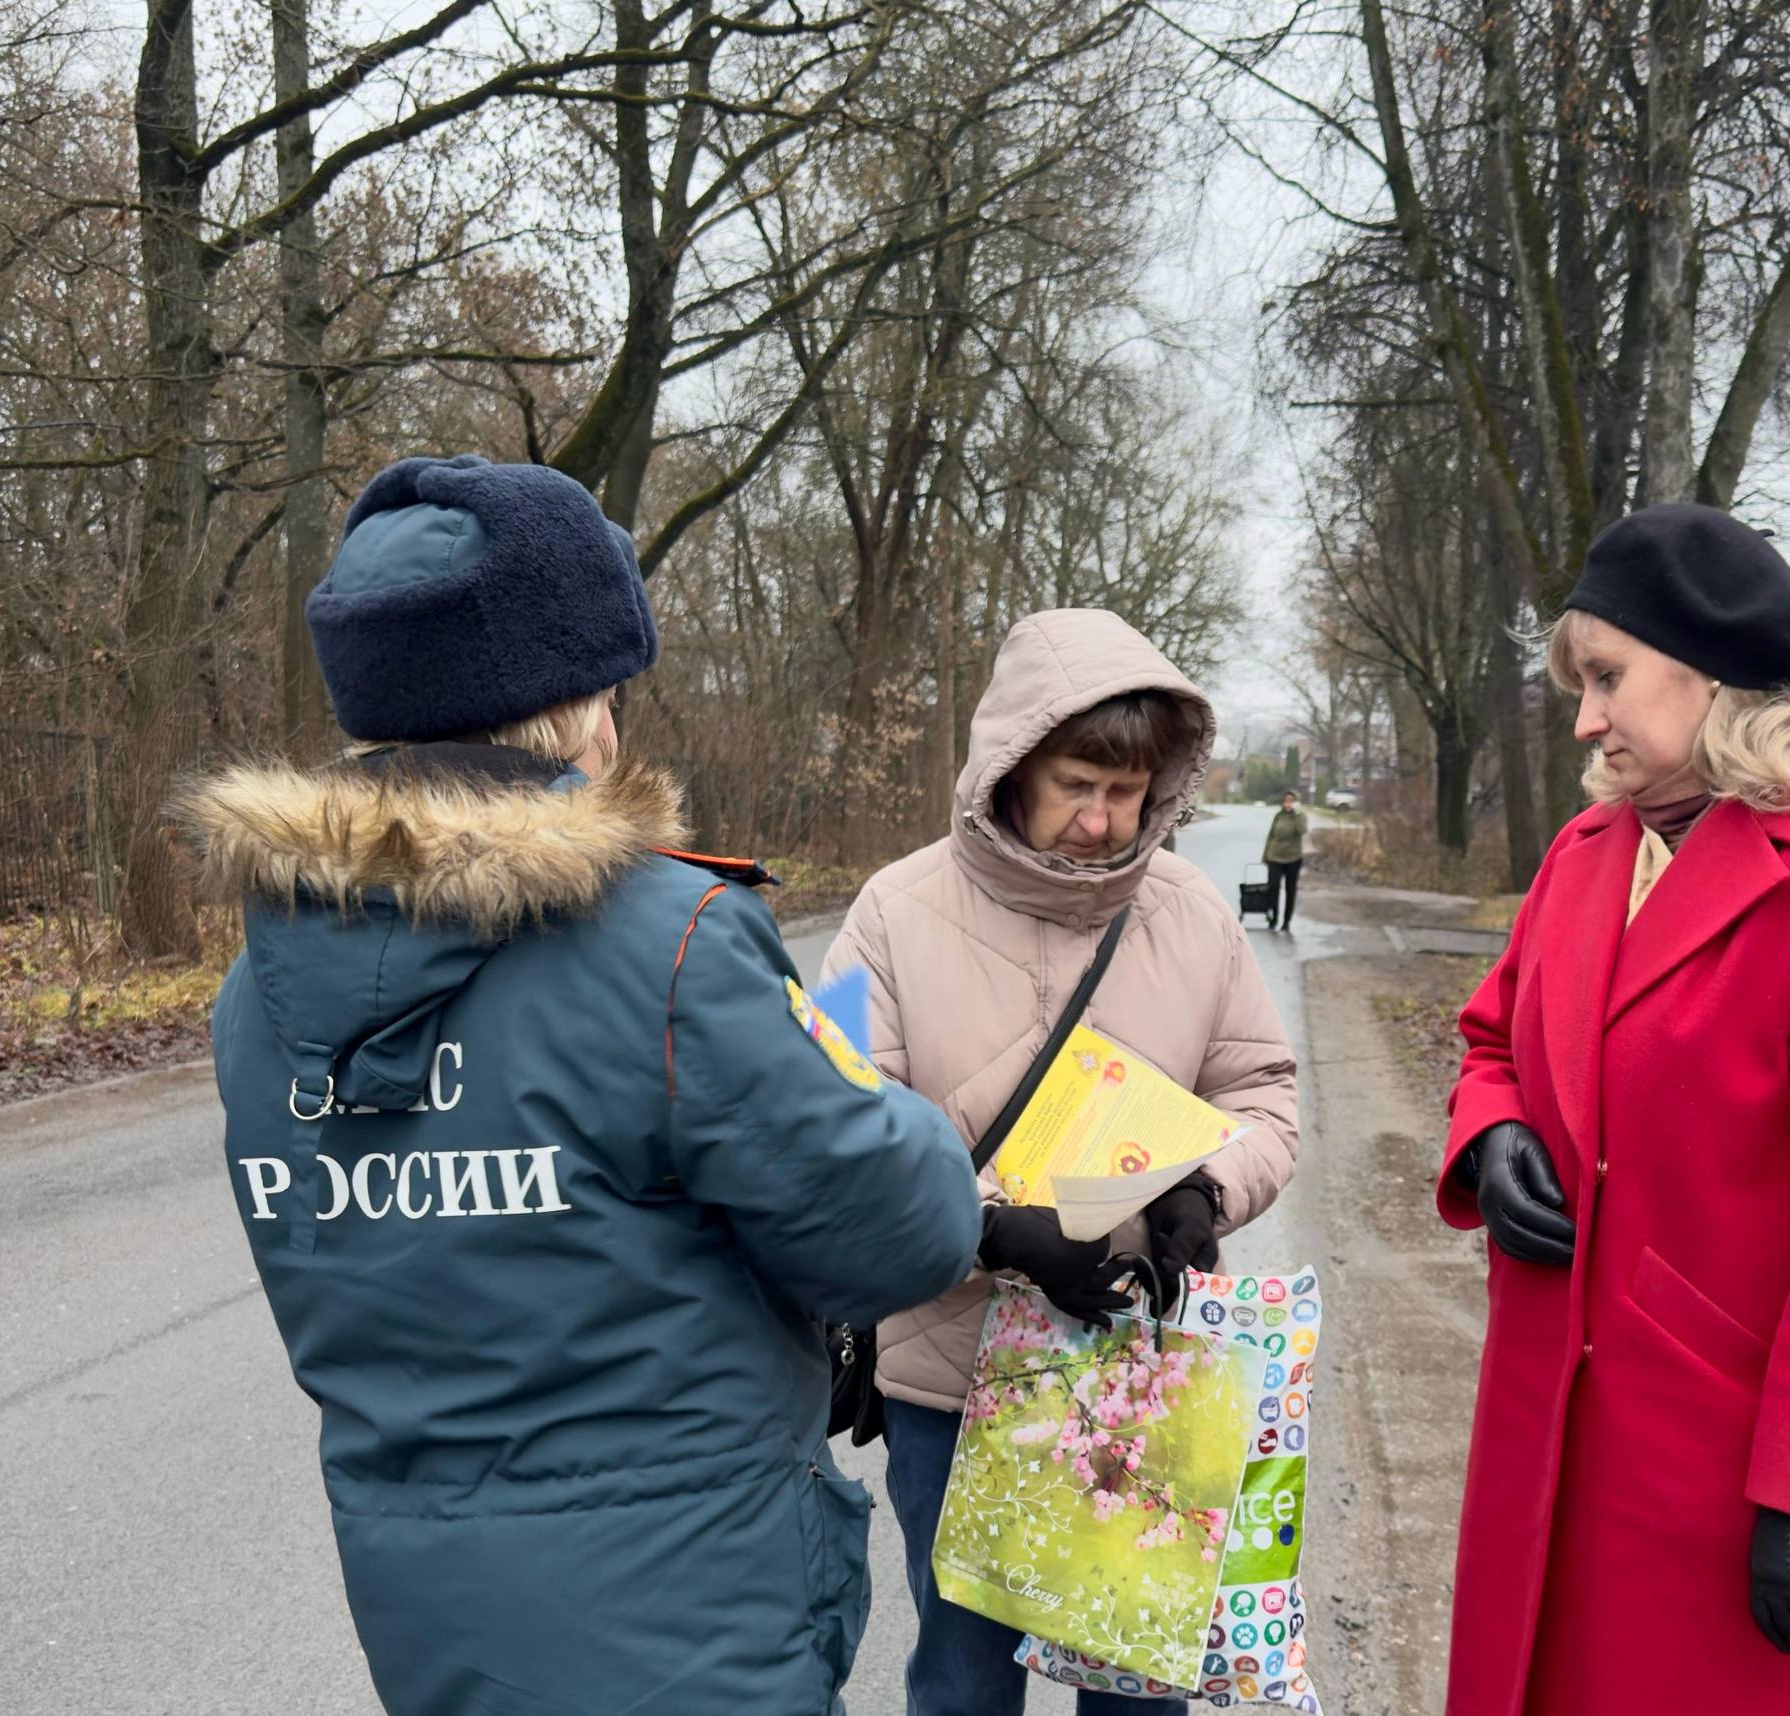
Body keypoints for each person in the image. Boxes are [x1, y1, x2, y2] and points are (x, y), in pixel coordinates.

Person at [177, 455, 984, 1716]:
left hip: (429, 1614)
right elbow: (901, 1230)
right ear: (582, 699)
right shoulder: (665, 936)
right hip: (689, 1615)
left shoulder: (261, 978)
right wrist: (915, 1125)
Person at [1435, 503, 1790, 1716]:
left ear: (1709, 674)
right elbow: (1494, 1037)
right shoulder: (1588, 850)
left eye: (1607, 678)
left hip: (1716, 1467)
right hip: (1547, 1428)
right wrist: (1496, 1131)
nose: (1584, 718)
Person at [819, 607, 1301, 1716]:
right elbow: (830, 1125)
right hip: (950, 1365)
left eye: (1125, 794)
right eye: (1076, 783)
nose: (1099, 821)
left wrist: (1204, 1190)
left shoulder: (1190, 914)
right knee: (962, 1685)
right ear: (1010, 767)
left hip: (1144, 1366)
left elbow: (1263, 1093)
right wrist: (983, 1225)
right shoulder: (890, 913)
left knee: (1138, 1689)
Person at [1260, 789, 1307, 931]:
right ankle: (1273, 917)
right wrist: (1265, 855)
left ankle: (1286, 921)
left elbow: (1302, 831)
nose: (1288, 803)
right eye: (1286, 800)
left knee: (1290, 890)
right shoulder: (1278, 816)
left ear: (1296, 803)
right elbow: (1271, 835)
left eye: (1291, 801)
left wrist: (1297, 813)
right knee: (1273, 888)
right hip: (1275, 857)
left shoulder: (1300, 816)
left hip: (1293, 858)